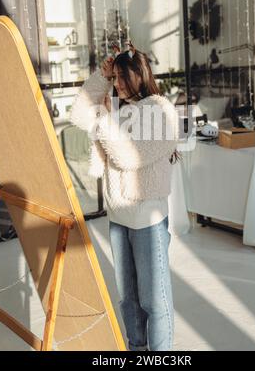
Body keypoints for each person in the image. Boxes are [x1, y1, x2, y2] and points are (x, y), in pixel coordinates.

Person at [70, 45, 180, 351]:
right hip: (118, 217)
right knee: (128, 300)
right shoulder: (117, 109)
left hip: (147, 218)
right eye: (114, 76)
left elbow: (128, 157)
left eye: (121, 77)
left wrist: (105, 117)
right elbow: (78, 114)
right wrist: (100, 79)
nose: (117, 83)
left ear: (138, 75)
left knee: (153, 301)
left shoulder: (160, 110)